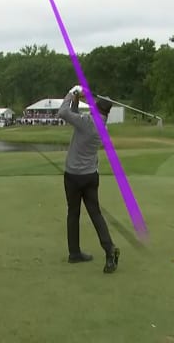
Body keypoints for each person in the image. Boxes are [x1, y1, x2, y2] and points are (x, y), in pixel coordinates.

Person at [57, 84, 120, 274]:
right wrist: (77, 100)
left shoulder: (88, 122)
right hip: (91, 176)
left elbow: (63, 113)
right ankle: (108, 249)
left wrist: (71, 92)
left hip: (73, 176)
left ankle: (74, 253)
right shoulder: (100, 125)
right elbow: (74, 115)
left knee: (73, 213)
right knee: (95, 214)